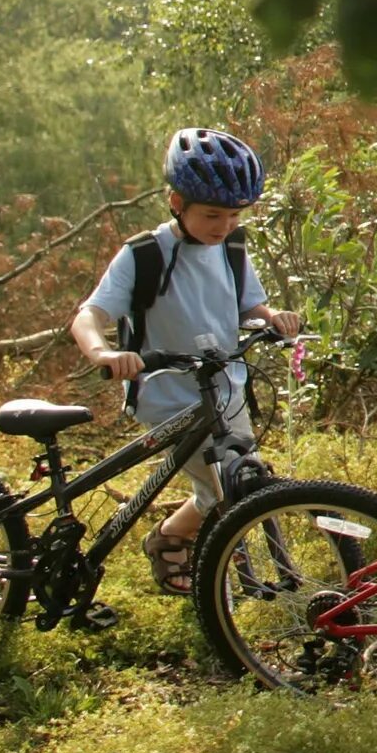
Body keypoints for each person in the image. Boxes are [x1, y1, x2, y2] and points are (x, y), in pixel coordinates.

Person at [69, 128, 303, 596]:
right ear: (177, 202)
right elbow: (88, 316)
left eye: (234, 215)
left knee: (235, 478)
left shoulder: (232, 249)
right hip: (166, 394)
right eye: (212, 214)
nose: (224, 225)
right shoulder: (144, 254)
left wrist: (272, 316)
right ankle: (225, 595)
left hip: (223, 390)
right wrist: (105, 353)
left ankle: (170, 538)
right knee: (225, 491)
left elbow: (247, 304)